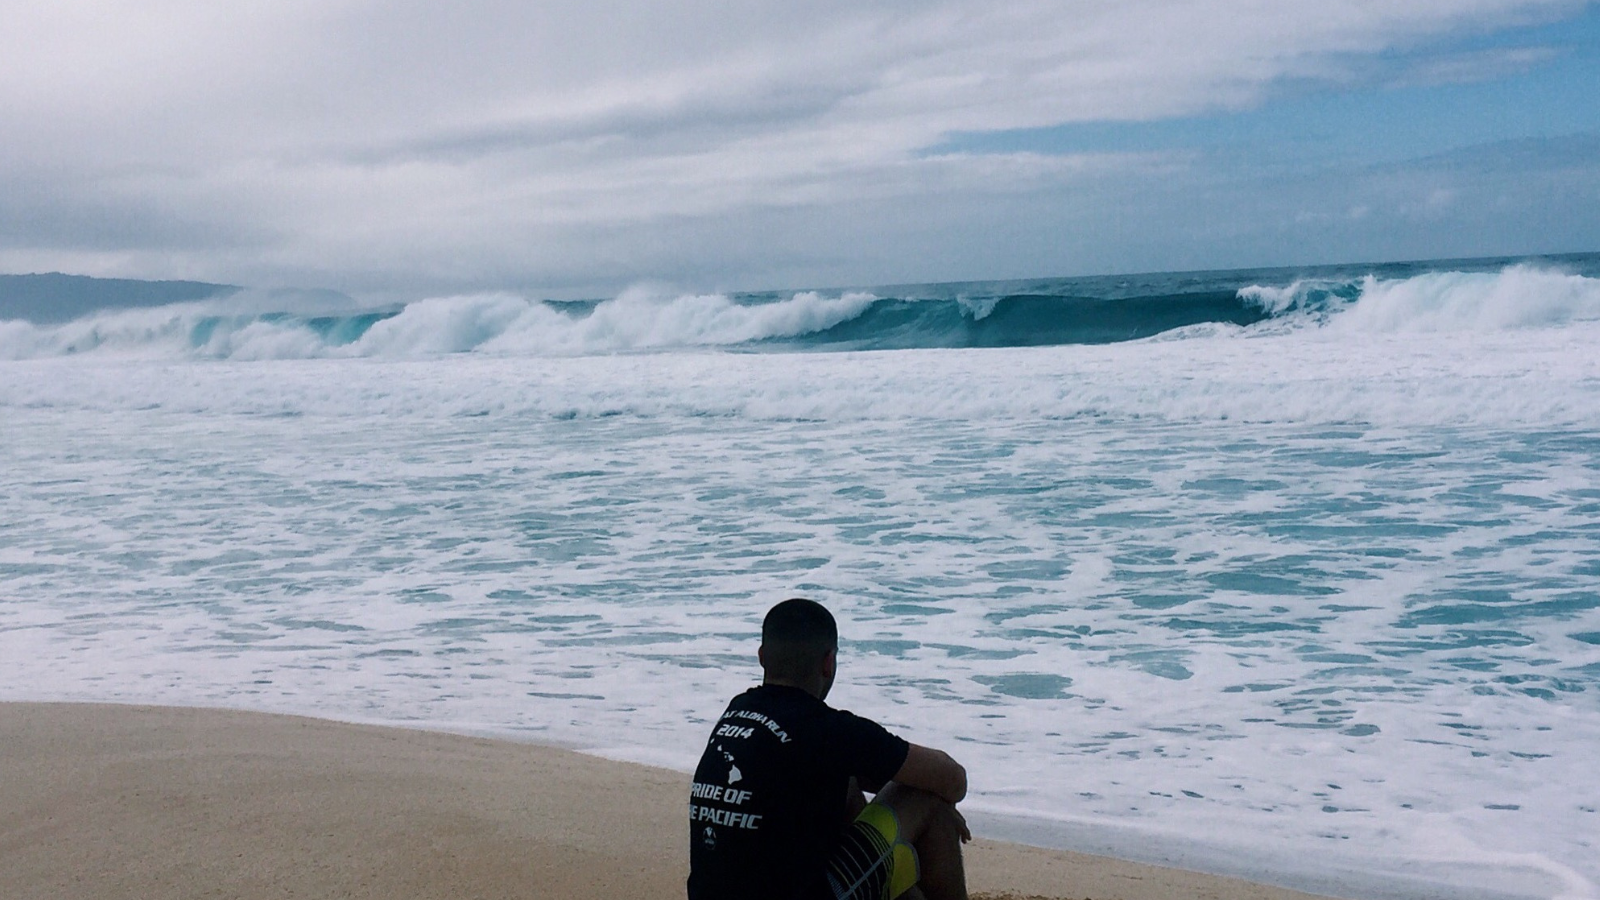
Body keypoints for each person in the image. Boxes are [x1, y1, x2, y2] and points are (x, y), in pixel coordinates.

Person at [687, 598, 970, 900]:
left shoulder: (737, 711)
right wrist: (940, 804)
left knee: (843, 784)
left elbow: (816, 767)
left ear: (761, 657)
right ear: (828, 662)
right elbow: (952, 779)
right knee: (926, 797)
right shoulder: (829, 730)